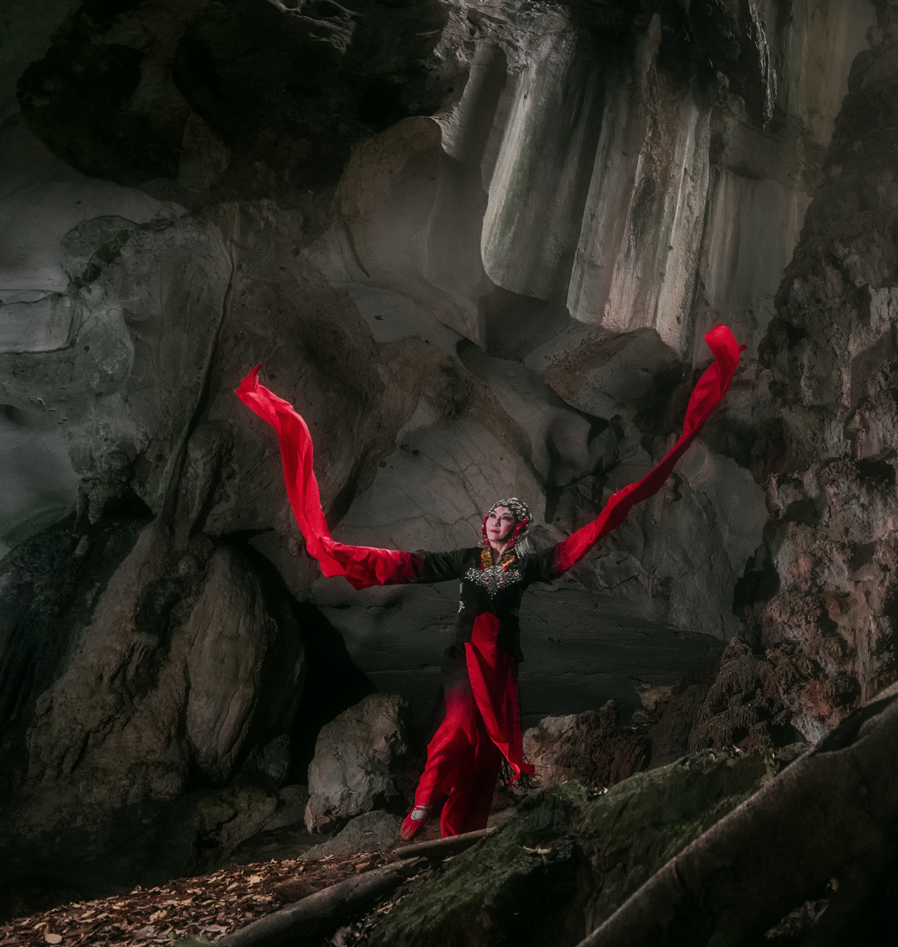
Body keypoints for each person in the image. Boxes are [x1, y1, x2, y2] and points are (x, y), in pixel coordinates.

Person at [234, 325, 741, 839]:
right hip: (464, 655)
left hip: (499, 664)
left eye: (505, 517)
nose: (495, 520)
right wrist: (344, 555)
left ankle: (460, 826)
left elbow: (575, 546)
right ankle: (418, 813)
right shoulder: (467, 558)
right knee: (455, 729)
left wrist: (615, 508)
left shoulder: (524, 567)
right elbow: (408, 565)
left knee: (481, 745)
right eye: (493, 516)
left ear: (518, 529)